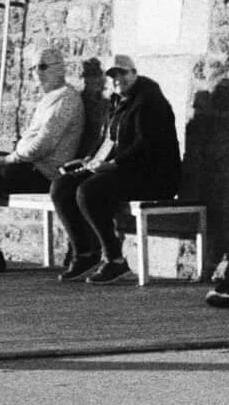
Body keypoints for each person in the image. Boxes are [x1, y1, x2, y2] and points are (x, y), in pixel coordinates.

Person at [50, 55, 182, 284]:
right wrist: (89, 160)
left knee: (89, 191)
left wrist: (112, 165)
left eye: (122, 73)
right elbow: (108, 139)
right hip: (124, 171)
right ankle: (84, 254)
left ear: (134, 73)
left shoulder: (150, 103)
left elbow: (146, 146)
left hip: (152, 176)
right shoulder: (117, 102)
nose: (117, 79)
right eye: (113, 75)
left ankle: (115, 260)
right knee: (62, 186)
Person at [0, 45, 84, 273]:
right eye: (33, 68)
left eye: (43, 67)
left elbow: (42, 146)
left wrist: (8, 159)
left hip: (44, 173)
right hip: (28, 168)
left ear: (60, 69)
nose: (37, 73)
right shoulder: (49, 99)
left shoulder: (66, 99)